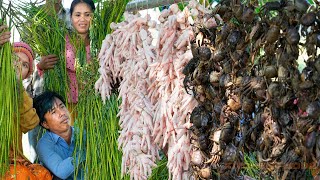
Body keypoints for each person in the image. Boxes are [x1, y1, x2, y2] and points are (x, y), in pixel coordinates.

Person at [0, 26, 52, 179]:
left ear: (27, 74)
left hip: (11, 158)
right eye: (14, 59)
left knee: (43, 174)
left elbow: (30, 123)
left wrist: (17, 88)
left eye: (24, 65)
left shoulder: (22, 95)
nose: (18, 65)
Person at [36, 0, 95, 125]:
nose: (82, 19)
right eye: (77, 15)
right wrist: (41, 66)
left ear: (93, 16)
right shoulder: (61, 39)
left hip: (91, 105)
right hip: (64, 106)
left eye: (87, 14)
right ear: (71, 17)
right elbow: (45, 66)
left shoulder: (99, 42)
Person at [33, 91, 85, 180]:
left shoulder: (82, 133)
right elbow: (61, 171)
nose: (62, 113)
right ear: (45, 124)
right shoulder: (44, 145)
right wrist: (87, 151)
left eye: (62, 107)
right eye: (53, 112)